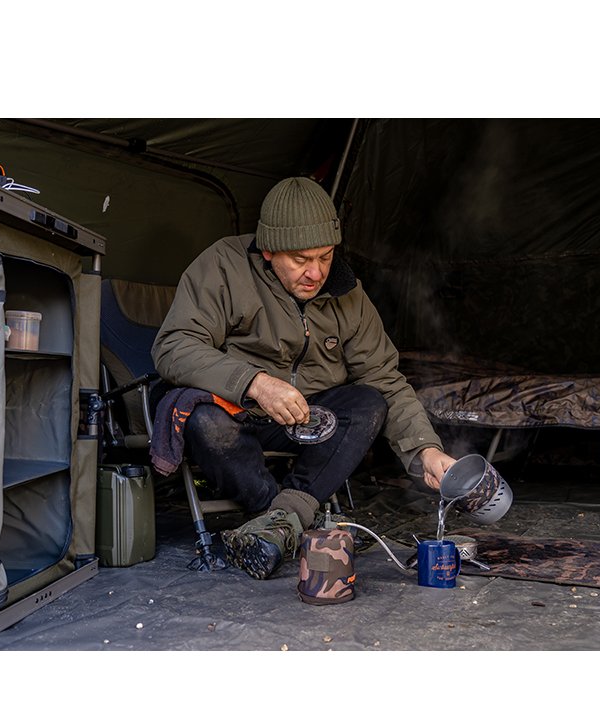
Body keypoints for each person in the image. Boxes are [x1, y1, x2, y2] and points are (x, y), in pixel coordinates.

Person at [151, 176, 456, 579]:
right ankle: (280, 515)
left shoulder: (348, 294)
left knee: (368, 403)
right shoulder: (223, 265)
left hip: (306, 420)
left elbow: (384, 377)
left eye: (325, 257)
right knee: (204, 420)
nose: (316, 273)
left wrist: (425, 450)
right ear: (269, 250)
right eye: (300, 260)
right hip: (237, 412)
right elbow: (174, 345)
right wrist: (256, 383)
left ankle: (281, 525)